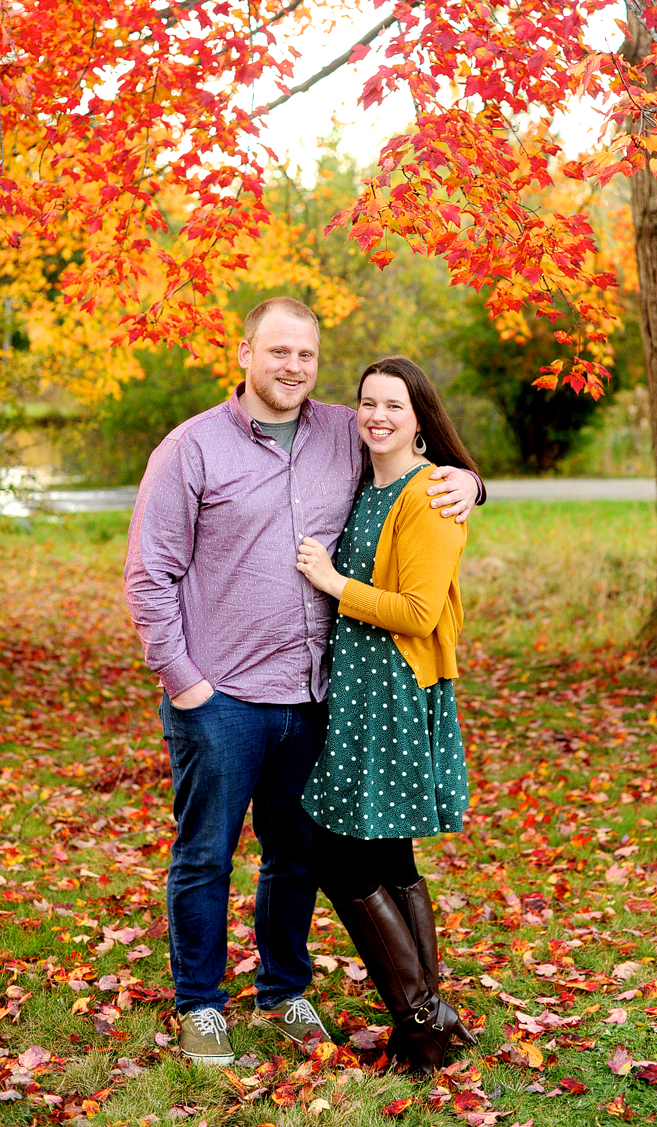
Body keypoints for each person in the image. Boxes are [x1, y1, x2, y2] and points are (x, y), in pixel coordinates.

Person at [124, 298, 483, 1067]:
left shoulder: (339, 431)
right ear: (245, 351)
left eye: (306, 355)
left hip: (316, 697)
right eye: (278, 351)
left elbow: (414, 468)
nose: (292, 367)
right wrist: (184, 681)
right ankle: (200, 1005)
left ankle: (285, 989)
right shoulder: (192, 449)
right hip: (220, 698)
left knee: (297, 858)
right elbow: (150, 575)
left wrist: (471, 482)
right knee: (205, 856)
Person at [295, 355, 479, 1077]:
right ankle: (433, 1013)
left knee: (340, 855)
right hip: (360, 693)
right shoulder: (372, 483)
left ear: (421, 418)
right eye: (367, 401)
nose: (376, 415)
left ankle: (420, 1018)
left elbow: (419, 611)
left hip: (395, 693)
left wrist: (334, 582)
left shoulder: (430, 492)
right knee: (388, 854)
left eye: (393, 405)